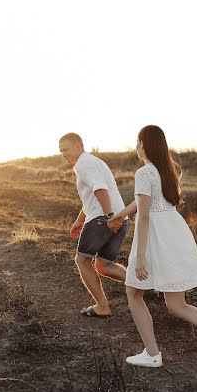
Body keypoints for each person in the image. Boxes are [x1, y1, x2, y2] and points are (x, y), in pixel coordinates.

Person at [108, 125, 197, 373]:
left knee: (134, 293)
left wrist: (139, 256)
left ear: (144, 144)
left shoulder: (144, 172)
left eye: (137, 142)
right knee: (176, 305)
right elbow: (143, 203)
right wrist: (120, 214)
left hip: (156, 238)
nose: (136, 146)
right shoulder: (167, 171)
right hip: (174, 234)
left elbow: (146, 214)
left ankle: (152, 354)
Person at [59, 132, 128, 318]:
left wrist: (109, 217)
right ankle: (144, 286)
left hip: (103, 218)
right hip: (120, 218)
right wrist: (80, 220)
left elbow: (100, 190)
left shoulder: (84, 163)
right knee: (103, 265)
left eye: (66, 149)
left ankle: (102, 307)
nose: (63, 154)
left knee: (82, 260)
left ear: (78, 146)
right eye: (60, 151)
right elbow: (91, 197)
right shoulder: (90, 162)